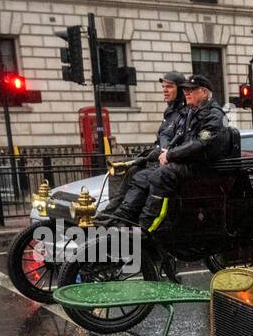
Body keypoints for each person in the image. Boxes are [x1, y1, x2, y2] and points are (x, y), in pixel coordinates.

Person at [110, 75, 235, 229]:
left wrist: (170, 155)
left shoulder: (214, 115)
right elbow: (179, 136)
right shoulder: (192, 111)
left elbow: (200, 143)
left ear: (203, 92)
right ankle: (122, 216)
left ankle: (148, 226)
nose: (186, 93)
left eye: (191, 90)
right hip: (190, 162)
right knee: (142, 174)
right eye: (186, 90)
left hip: (204, 167)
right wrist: (165, 151)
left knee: (161, 175)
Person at [97, 71, 188, 223]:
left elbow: (177, 143)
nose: (165, 90)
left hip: (168, 163)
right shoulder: (170, 112)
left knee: (141, 177)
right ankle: (110, 212)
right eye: (163, 86)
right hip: (158, 159)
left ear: (180, 90)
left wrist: (162, 151)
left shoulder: (185, 114)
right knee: (132, 171)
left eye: (170, 87)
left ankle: (123, 216)